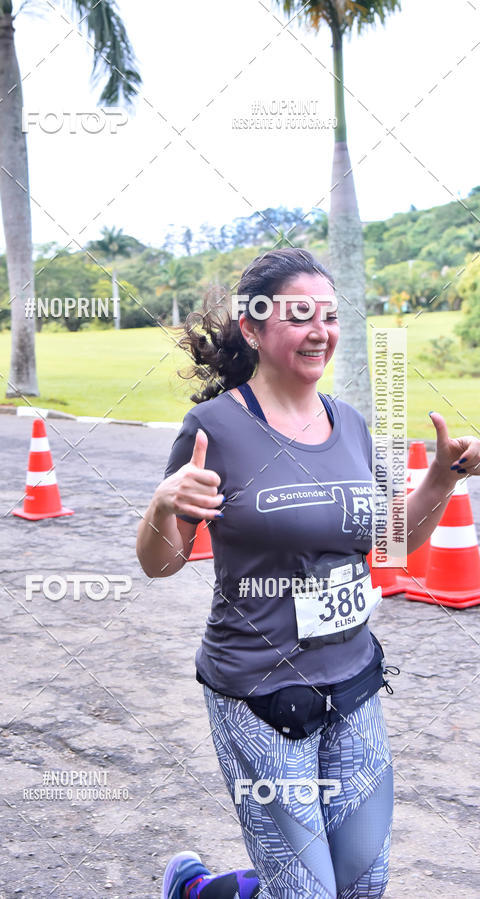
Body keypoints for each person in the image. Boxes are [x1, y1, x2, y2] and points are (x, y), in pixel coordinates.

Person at [135, 248, 478, 899]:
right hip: (258, 696)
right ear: (253, 328)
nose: (321, 329)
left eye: (330, 314)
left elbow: (393, 540)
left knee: (364, 879)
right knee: (307, 893)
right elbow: (162, 560)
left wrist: (442, 475)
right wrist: (162, 504)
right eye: (300, 315)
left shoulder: (348, 423)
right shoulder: (213, 429)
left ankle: (199, 890)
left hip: (353, 686)